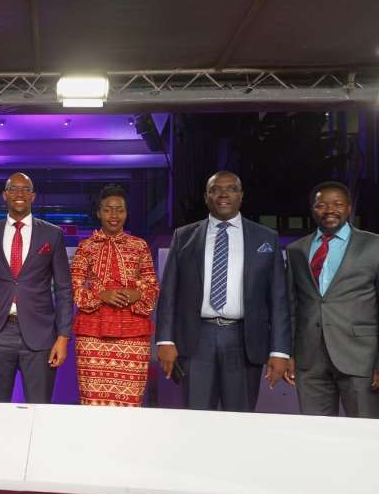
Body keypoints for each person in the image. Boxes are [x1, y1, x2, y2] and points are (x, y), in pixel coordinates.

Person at [155, 171, 290, 412]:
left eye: (231, 189)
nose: (223, 194)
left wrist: (280, 351)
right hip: (196, 339)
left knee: (239, 418)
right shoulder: (184, 236)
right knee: (196, 416)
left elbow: (279, 300)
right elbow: (169, 294)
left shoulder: (266, 237)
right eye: (215, 189)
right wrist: (165, 340)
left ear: (241, 195)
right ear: (206, 196)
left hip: (244, 340)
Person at [0, 172, 73, 403]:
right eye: (13, 189)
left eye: (25, 189)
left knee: (39, 409)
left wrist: (63, 337)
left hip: (41, 335)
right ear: (4, 195)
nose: (19, 193)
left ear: (33, 196)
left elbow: (64, 289)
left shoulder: (52, 234)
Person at [286, 181, 379, 418]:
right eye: (321, 205)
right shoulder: (296, 250)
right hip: (310, 359)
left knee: (364, 432)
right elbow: (292, 306)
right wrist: (289, 353)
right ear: (312, 209)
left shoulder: (374, 245)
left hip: (361, 358)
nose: (329, 210)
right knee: (316, 434)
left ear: (349, 207)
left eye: (337, 204)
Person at [70, 184, 159, 406]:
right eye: (108, 210)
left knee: (129, 405)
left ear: (126, 213)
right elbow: (74, 288)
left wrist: (135, 293)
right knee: (93, 404)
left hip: (133, 335)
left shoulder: (140, 246)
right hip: (92, 336)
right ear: (99, 213)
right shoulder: (85, 247)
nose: (114, 215)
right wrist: (102, 294)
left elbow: (153, 288)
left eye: (119, 210)